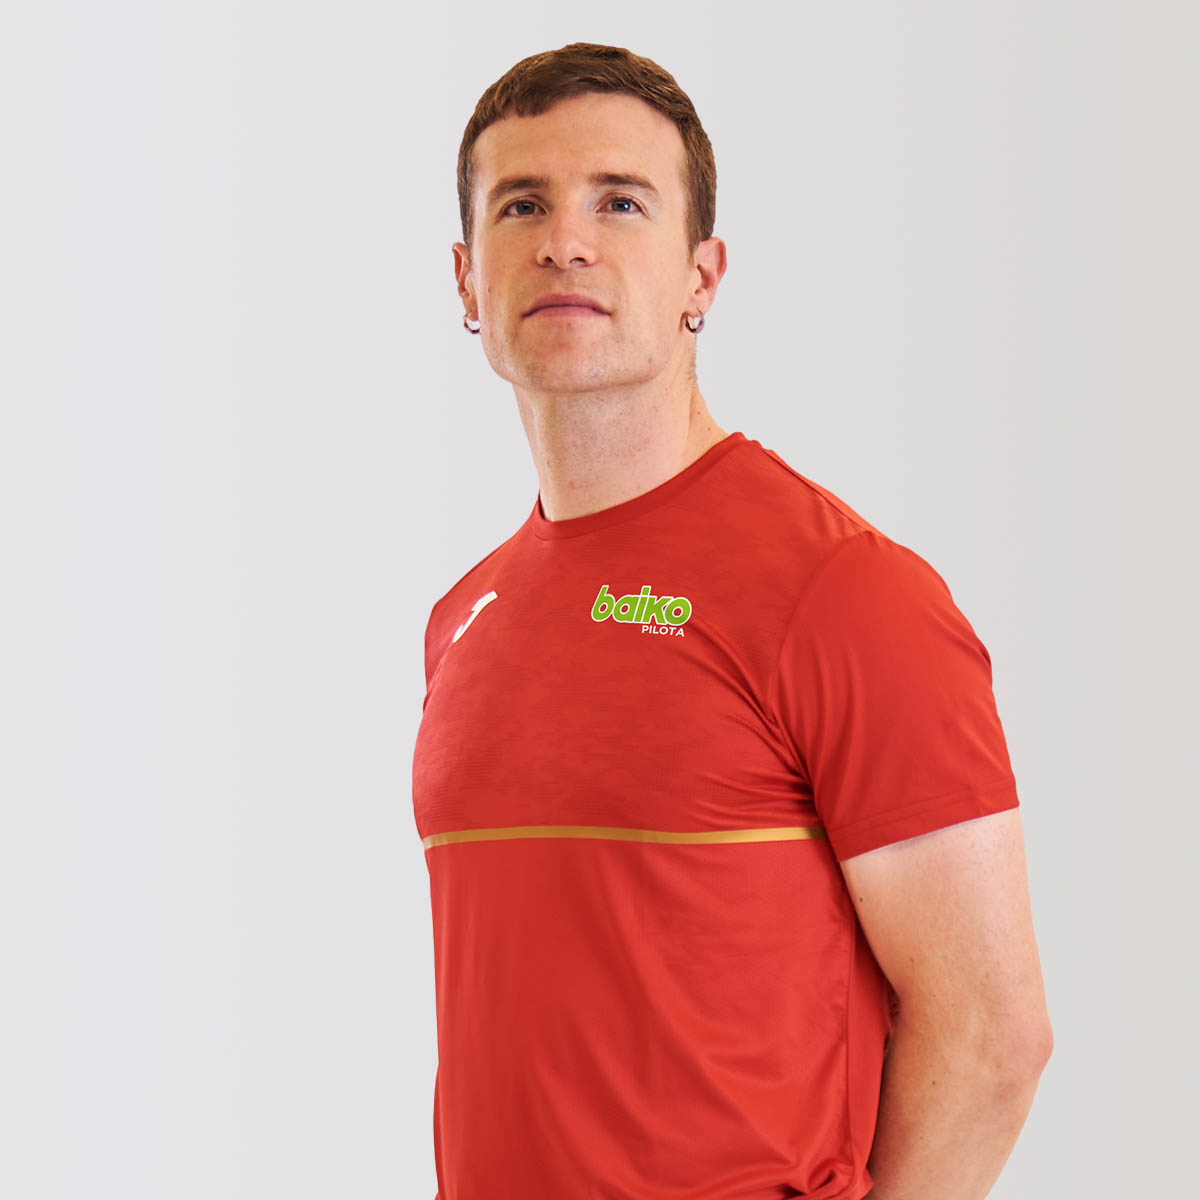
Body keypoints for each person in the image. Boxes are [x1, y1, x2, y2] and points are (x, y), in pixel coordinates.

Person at [412, 42, 1052, 1200]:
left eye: (620, 202)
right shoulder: (463, 620)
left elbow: (993, 1039)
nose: (565, 241)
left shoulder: (842, 592)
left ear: (702, 277)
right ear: (467, 281)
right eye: (522, 204)